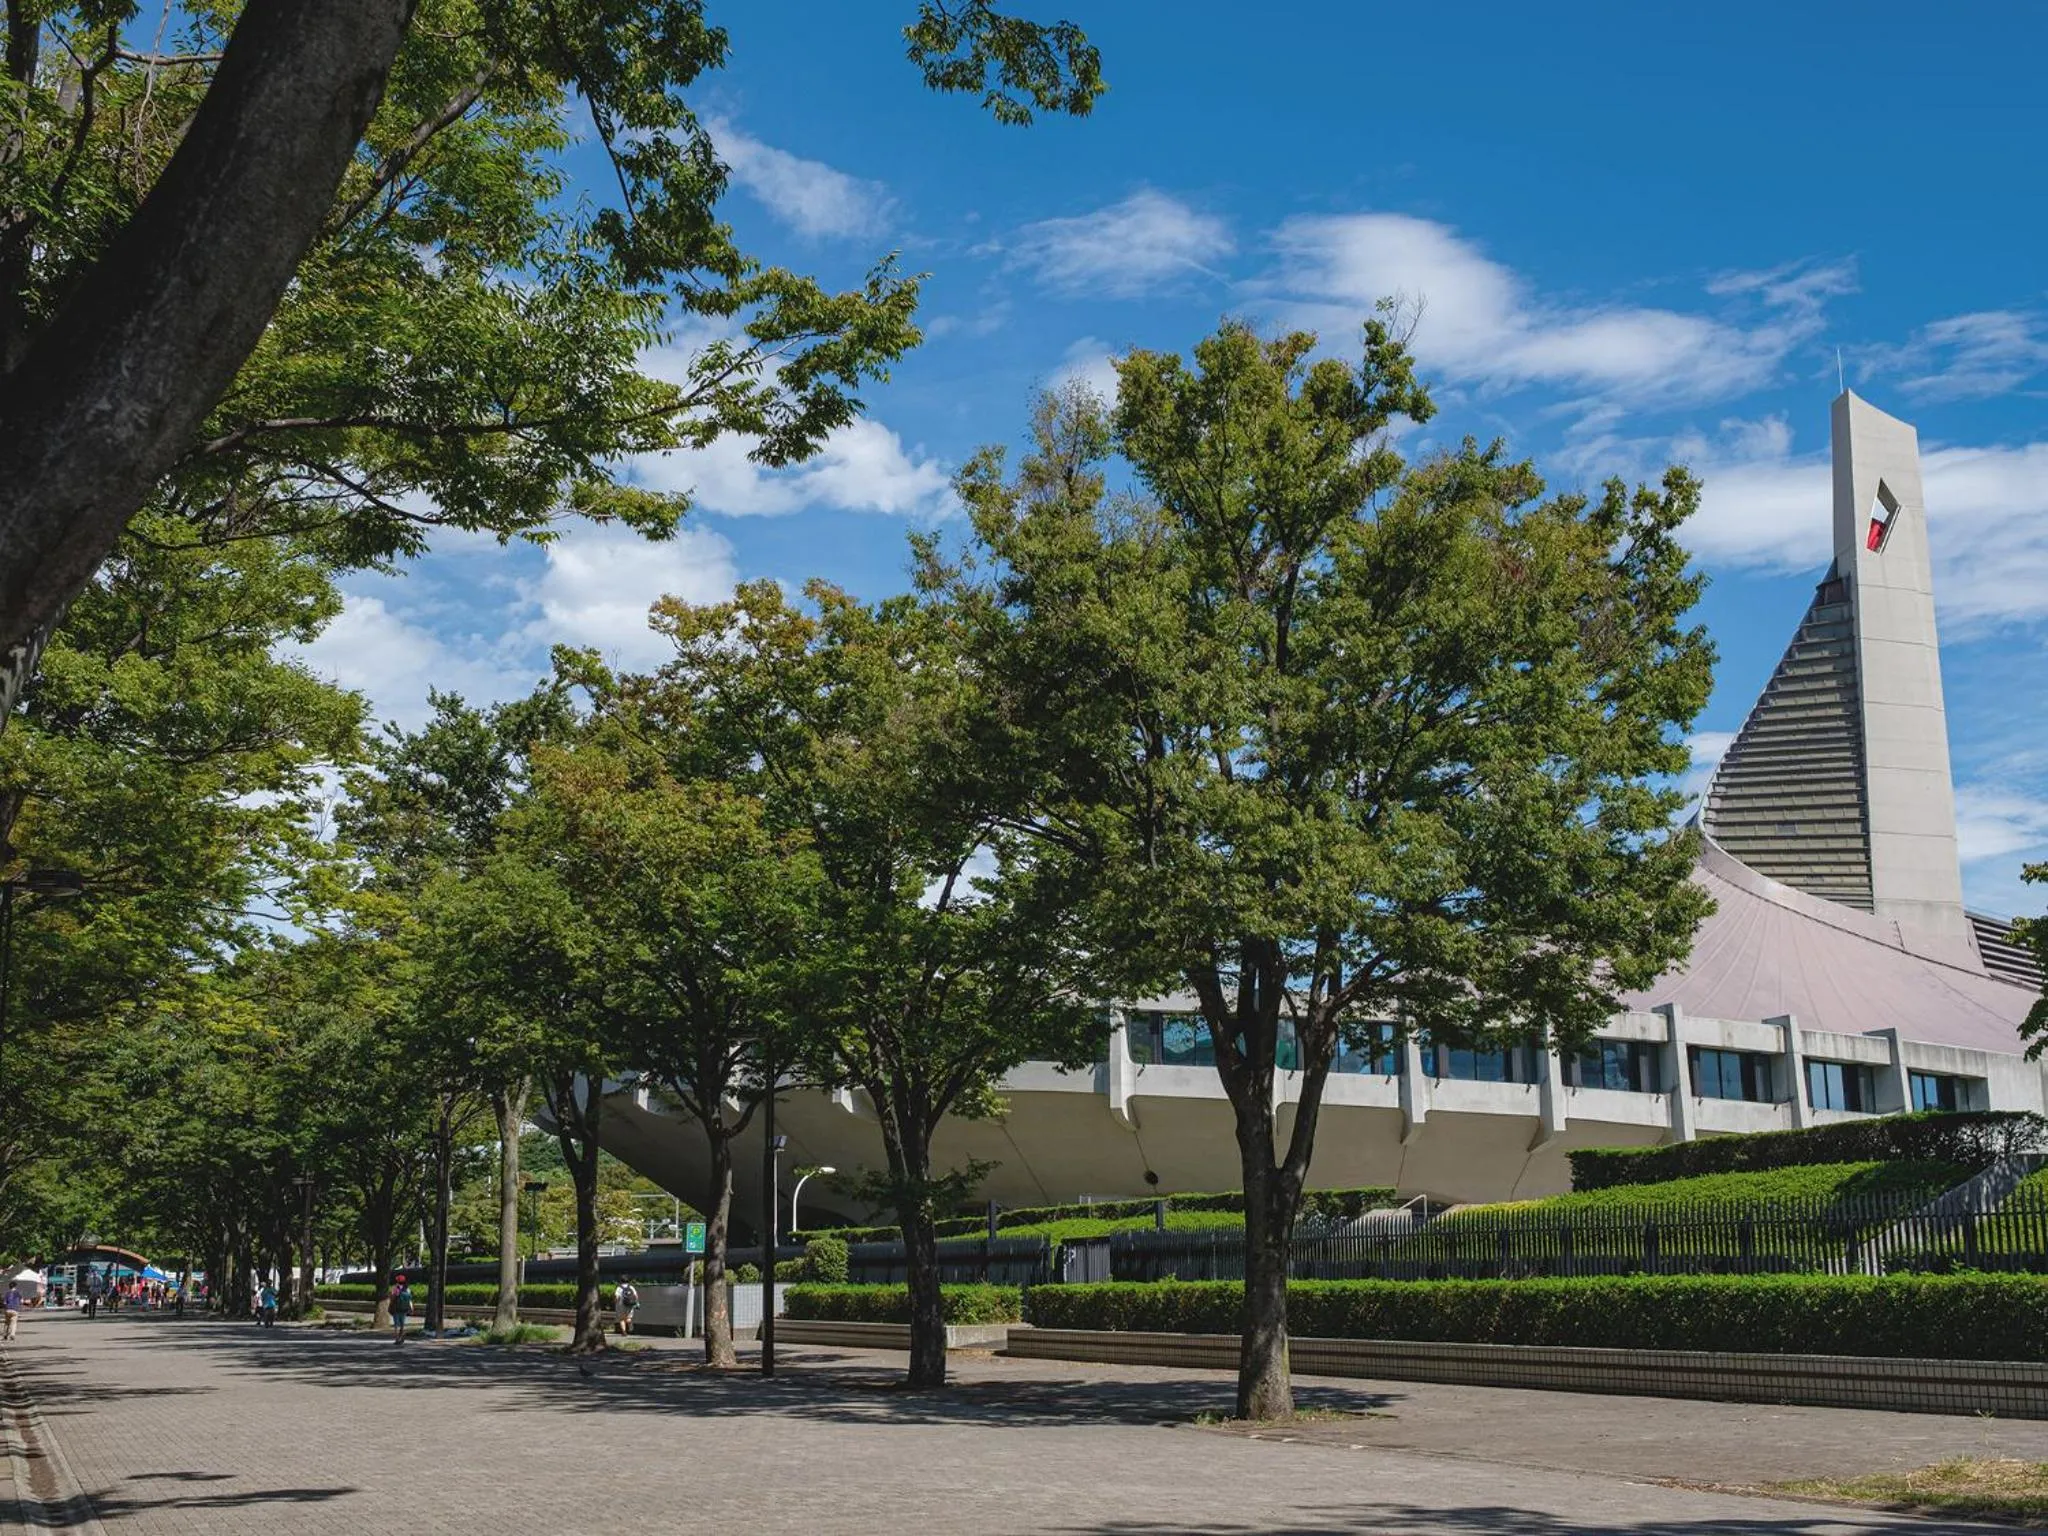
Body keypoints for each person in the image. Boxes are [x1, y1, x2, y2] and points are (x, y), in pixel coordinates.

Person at [387, 1274, 413, 1345]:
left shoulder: (395, 1288)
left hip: (396, 1309)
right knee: (402, 1324)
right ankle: (401, 1337)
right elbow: (410, 1300)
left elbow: (392, 1298)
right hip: (404, 1309)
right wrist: (411, 1308)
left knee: (396, 1325)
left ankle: (397, 1339)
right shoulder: (407, 1289)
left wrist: (390, 1306)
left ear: (398, 1281)